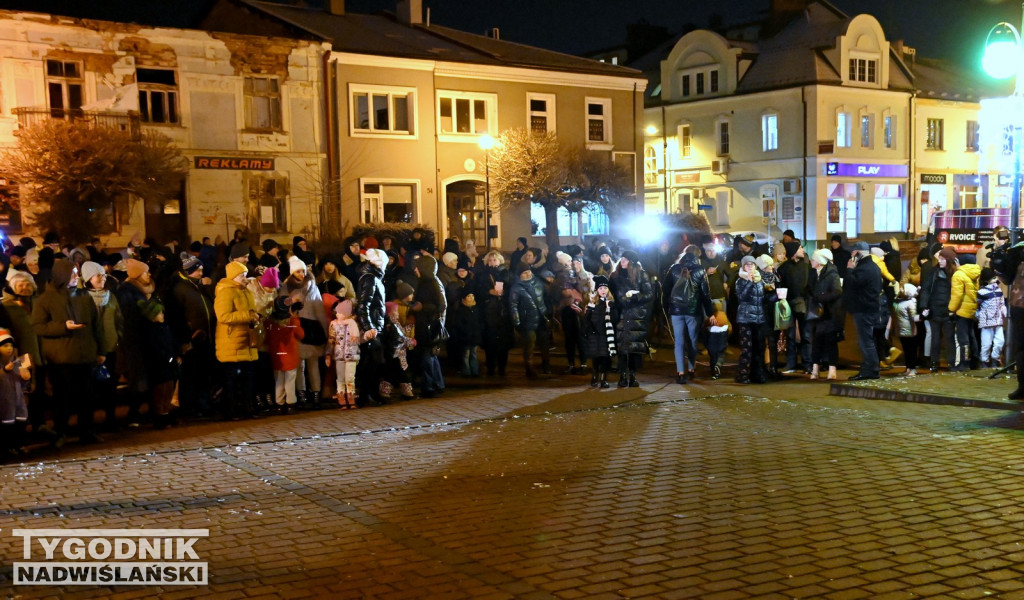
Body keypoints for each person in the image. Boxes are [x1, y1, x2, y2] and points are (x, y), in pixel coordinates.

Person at [31, 260, 102, 446]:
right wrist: (63, 326)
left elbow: (96, 324)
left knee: (86, 397)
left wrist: (99, 349)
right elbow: (38, 326)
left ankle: (87, 432)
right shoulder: (45, 299)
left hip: (85, 355)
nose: (76, 277)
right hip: (61, 358)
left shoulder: (83, 295)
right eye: (72, 273)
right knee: (62, 398)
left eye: (76, 273)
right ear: (61, 275)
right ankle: (61, 433)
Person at [166, 252, 216, 419]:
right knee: (192, 376)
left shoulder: (196, 286)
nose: (202, 273)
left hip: (204, 337)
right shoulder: (180, 289)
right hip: (192, 340)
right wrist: (185, 339)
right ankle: (191, 407)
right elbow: (177, 318)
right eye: (198, 270)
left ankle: (204, 405)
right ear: (189, 271)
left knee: (203, 374)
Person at [280, 256, 329, 408]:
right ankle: (301, 394)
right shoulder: (285, 287)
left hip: (311, 328)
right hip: (294, 327)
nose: (302, 274)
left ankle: (315, 394)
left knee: (312, 362)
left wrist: (326, 330)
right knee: (298, 364)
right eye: (298, 271)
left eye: (303, 270)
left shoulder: (311, 285)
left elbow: (319, 308)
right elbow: (282, 308)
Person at [80, 261, 123, 429]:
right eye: (99, 275)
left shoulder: (110, 296)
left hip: (111, 347)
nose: (103, 278)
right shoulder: (81, 297)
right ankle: (90, 425)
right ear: (89, 278)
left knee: (110, 386)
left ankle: (111, 419)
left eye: (104, 275)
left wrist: (118, 336)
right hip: (91, 350)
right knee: (92, 388)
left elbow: (119, 319)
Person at [214, 261, 260, 420]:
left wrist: (254, 318)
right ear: (233, 277)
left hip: (246, 340)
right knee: (231, 380)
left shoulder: (245, 291)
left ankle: (247, 407)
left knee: (247, 379)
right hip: (231, 342)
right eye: (242, 275)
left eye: (245, 274)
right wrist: (247, 315)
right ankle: (230, 410)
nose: (245, 278)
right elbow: (223, 316)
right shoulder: (226, 292)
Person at [663, 247, 715, 384]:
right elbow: (706, 294)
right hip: (693, 312)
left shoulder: (674, 269)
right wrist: (710, 313)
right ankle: (692, 368)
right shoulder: (700, 270)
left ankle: (680, 372)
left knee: (678, 342)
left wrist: (667, 307)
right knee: (692, 340)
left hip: (676, 311)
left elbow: (665, 289)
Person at [610, 250, 653, 388]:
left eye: (626, 259)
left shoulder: (641, 274)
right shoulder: (615, 276)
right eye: (622, 258)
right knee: (622, 347)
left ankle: (633, 375)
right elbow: (611, 295)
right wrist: (619, 301)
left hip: (636, 315)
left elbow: (649, 294)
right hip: (621, 314)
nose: (622, 261)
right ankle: (622, 375)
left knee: (634, 347)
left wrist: (635, 296)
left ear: (632, 262)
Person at [137, 298, 179, 429]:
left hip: (168, 364)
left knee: (168, 390)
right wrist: (168, 358)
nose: (163, 315)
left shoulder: (164, 327)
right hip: (159, 366)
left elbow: (171, 343)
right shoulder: (151, 330)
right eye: (159, 313)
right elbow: (155, 349)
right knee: (160, 392)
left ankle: (166, 414)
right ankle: (160, 417)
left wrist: (174, 356)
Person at [843, 242, 882, 380]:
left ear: (858, 253)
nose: (851, 256)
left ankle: (870, 370)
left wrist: (849, 269)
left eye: (853, 253)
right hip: (869, 308)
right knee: (867, 340)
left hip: (863, 309)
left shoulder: (864, 268)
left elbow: (851, 284)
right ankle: (870, 369)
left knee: (865, 341)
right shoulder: (873, 267)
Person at [355, 248, 388, 407]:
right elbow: (363, 305)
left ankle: (369, 394)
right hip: (373, 327)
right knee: (372, 363)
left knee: (373, 363)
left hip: (375, 325)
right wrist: (368, 327)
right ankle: (366, 395)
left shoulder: (373, 278)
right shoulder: (371, 279)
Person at [413, 253, 447, 397]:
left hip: (429, 325)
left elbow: (441, 305)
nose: (415, 270)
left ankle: (429, 387)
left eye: (417, 267)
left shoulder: (431, 282)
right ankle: (437, 384)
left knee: (427, 356)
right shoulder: (428, 281)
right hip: (428, 323)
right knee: (431, 355)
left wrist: (422, 307)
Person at [807, 248, 843, 381]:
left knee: (830, 341)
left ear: (820, 261)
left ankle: (832, 369)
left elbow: (837, 291)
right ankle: (815, 368)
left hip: (830, 313)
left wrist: (821, 297)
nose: (811, 261)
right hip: (817, 312)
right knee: (816, 341)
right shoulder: (813, 273)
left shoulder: (832, 274)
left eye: (813, 259)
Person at [476, 250, 514, 377]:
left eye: (494, 260)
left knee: (503, 342)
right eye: (490, 260)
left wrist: (505, 293)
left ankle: (502, 367)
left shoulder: (507, 274)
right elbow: (478, 291)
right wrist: (488, 292)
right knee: (490, 341)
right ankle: (491, 367)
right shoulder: (482, 275)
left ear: (500, 260)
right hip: (489, 312)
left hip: (503, 312)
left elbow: (513, 291)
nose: (492, 262)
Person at [265, 296, 304, 413]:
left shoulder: (270, 322)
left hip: (276, 355)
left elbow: (266, 338)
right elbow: (301, 335)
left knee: (278, 380)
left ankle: (279, 403)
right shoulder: (293, 321)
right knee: (290, 380)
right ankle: (291, 402)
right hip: (290, 355)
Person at [919, 247, 956, 371]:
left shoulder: (954, 274)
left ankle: (949, 362)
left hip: (948, 311)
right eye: (939, 259)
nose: (939, 261)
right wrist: (924, 306)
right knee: (937, 338)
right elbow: (925, 289)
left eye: (942, 259)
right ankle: (935, 361)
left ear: (949, 260)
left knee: (947, 338)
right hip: (936, 310)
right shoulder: (934, 272)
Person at [510, 264, 549, 378]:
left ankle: (546, 364)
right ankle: (529, 368)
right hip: (527, 320)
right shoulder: (516, 288)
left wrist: (548, 311)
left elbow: (546, 297)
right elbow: (513, 306)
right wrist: (517, 322)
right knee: (529, 345)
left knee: (544, 343)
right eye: (524, 273)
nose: (527, 274)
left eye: (528, 272)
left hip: (541, 317)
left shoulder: (538, 282)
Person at [777, 242, 811, 374]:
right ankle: (791, 363)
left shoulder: (806, 266)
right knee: (790, 336)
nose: (802, 250)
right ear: (793, 251)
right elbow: (781, 287)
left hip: (804, 303)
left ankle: (807, 364)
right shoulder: (784, 268)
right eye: (799, 248)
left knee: (806, 335)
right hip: (789, 305)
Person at [734, 255, 767, 384]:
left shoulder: (760, 280)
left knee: (759, 348)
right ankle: (743, 374)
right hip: (745, 318)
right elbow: (742, 297)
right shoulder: (740, 281)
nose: (750, 267)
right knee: (746, 348)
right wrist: (749, 281)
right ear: (743, 267)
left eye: (752, 264)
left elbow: (761, 299)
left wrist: (776, 297)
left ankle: (757, 374)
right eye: (747, 265)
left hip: (759, 318)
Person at [581, 275, 618, 388]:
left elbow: (615, 319)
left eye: (605, 288)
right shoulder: (592, 304)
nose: (603, 290)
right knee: (596, 358)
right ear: (597, 290)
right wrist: (589, 331)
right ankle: (594, 376)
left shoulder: (611, 304)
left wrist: (609, 309)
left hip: (606, 335)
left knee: (605, 358)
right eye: (601, 288)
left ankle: (603, 378)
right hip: (594, 335)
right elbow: (586, 320)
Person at [0, 329, 30, 458]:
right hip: (4, 400)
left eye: (11, 345)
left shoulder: (17, 362)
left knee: (20, 422)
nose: (9, 348)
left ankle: (19, 445)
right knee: (7, 425)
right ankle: (8, 447)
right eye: (5, 346)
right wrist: (4, 371)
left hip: (18, 399)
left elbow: (23, 384)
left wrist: (26, 378)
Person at [326, 298, 360, 410]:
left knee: (350, 377)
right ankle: (341, 396)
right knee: (340, 377)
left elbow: (359, 339)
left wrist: (367, 336)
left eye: (340, 312)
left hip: (351, 355)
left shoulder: (353, 324)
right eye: (337, 312)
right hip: (339, 355)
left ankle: (350, 395)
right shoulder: (334, 325)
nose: (337, 314)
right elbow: (331, 339)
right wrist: (328, 354)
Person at [948, 254, 981, 371]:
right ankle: (975, 361)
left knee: (963, 339)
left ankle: (964, 363)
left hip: (962, 311)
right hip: (971, 309)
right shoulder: (975, 274)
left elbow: (957, 295)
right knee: (972, 336)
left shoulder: (959, 274)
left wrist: (951, 309)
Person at [379, 302, 416, 402]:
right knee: (404, 373)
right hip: (398, 354)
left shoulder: (392, 324)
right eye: (395, 311)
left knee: (390, 373)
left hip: (393, 354)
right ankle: (406, 392)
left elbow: (401, 334)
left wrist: (409, 327)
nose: (397, 313)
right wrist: (411, 342)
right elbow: (399, 338)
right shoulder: (392, 324)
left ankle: (385, 392)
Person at [976, 267, 1006, 368]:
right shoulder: (982, 292)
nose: (995, 280)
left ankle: (995, 358)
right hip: (986, 321)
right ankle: (984, 360)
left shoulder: (998, 290)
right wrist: (979, 315)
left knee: (1000, 341)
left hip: (998, 320)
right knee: (986, 343)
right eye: (992, 278)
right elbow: (977, 305)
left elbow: (1001, 302)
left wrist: (1003, 310)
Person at [889, 283, 920, 377]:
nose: (901, 289)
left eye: (903, 288)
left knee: (911, 350)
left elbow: (913, 317)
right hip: (901, 329)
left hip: (909, 330)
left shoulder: (911, 302)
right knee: (906, 350)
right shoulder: (898, 301)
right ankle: (908, 367)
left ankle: (912, 368)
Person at [450, 289, 481, 377]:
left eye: (472, 296)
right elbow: (458, 323)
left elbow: (479, 322)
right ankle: (466, 371)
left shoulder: (476, 308)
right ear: (464, 298)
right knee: (465, 355)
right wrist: (464, 331)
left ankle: (475, 371)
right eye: (468, 296)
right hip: (465, 336)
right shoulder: (461, 310)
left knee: (474, 354)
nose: (471, 298)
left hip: (474, 335)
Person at [706, 301, 729, 380]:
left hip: (712, 334)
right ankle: (718, 365)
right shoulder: (724, 316)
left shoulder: (711, 317)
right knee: (721, 353)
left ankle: (713, 371)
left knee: (712, 355)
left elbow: (705, 326)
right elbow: (729, 327)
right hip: (722, 334)